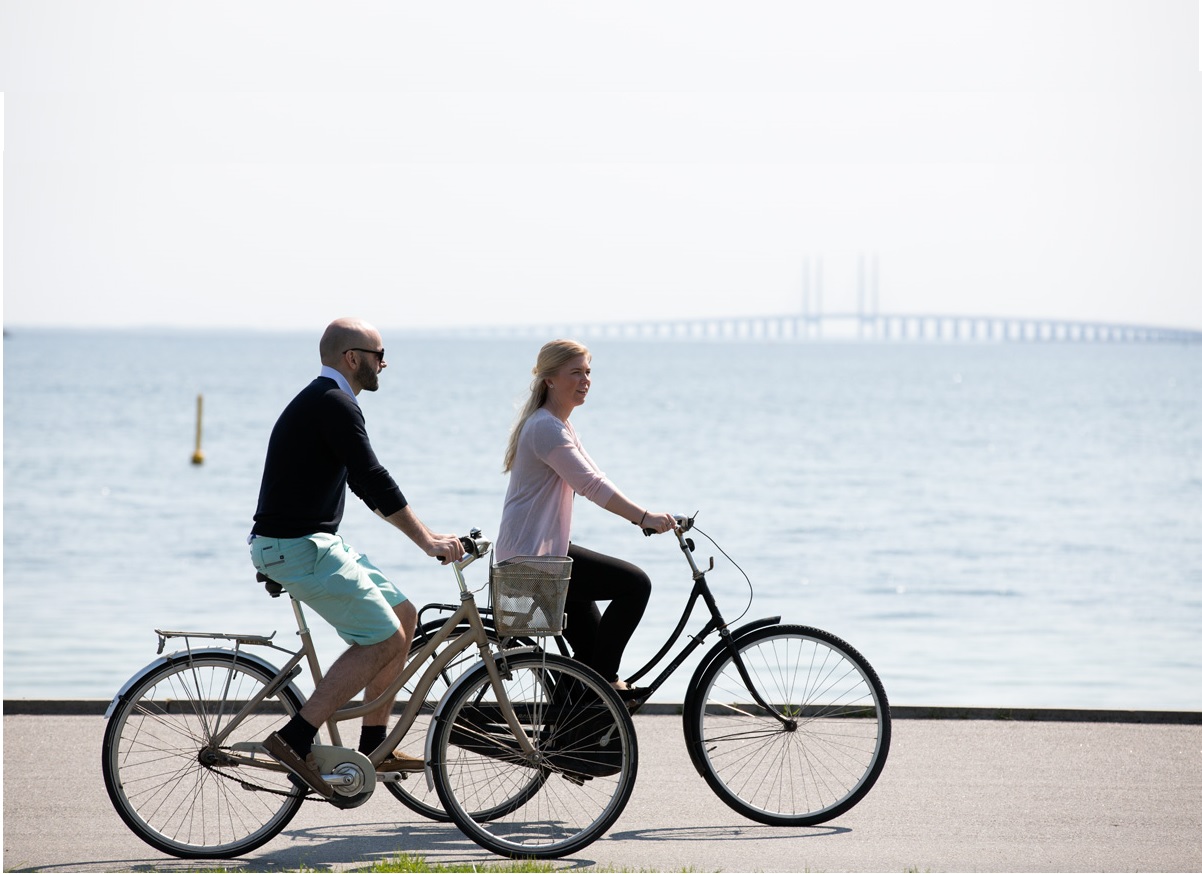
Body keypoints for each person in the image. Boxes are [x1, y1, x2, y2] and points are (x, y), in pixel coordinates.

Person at [248, 317, 463, 798]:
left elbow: (364, 486)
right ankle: (295, 738)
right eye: (379, 354)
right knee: (382, 637)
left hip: (308, 543)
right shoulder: (334, 403)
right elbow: (373, 477)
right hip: (297, 546)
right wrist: (427, 542)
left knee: (403, 616)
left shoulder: (327, 404)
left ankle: (373, 747)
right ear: (352, 358)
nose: (384, 364)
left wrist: (428, 533)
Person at [495, 339, 675, 694]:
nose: (585, 380)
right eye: (575, 372)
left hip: (543, 553)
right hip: (535, 558)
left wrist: (650, 513)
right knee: (635, 585)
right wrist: (643, 518)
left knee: (591, 653)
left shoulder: (558, 425)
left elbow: (597, 475)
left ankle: (573, 730)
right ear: (549, 379)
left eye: (588, 372)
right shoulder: (546, 427)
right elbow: (591, 485)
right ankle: (606, 689)